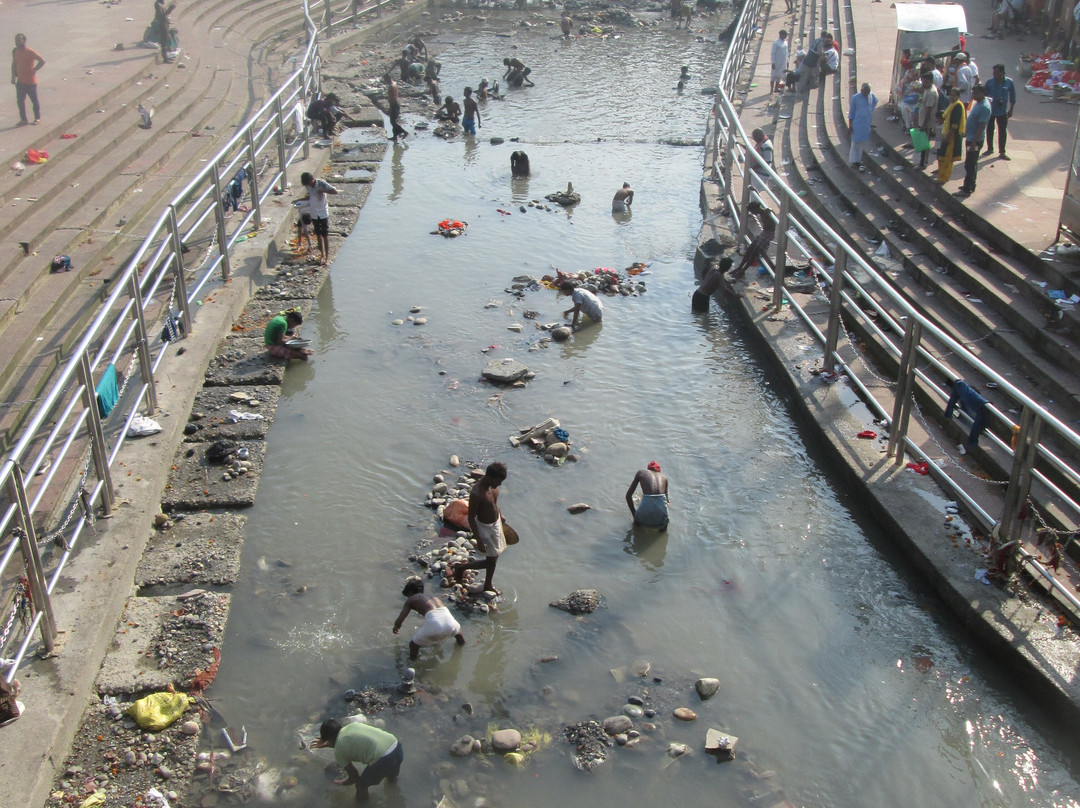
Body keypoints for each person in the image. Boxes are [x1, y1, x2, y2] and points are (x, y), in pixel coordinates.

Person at [452, 462, 509, 595]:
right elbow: (471, 517)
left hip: (496, 523)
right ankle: (463, 569)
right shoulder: (477, 493)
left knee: (494, 558)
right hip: (485, 528)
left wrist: (500, 516)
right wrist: (478, 539)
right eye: (498, 481)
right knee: (492, 560)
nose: (500, 484)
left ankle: (483, 581)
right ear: (489, 477)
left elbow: (495, 504)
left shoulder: (493, 488)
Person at [313, 719, 402, 802]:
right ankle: (394, 794)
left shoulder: (339, 751)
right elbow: (347, 742)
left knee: (361, 786)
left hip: (382, 759)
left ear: (329, 739)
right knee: (391, 775)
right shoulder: (352, 726)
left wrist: (339, 783)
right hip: (396, 746)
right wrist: (329, 744)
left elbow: (354, 777)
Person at [393, 576, 465, 659]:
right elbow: (441, 616)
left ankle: (412, 662)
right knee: (457, 631)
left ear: (410, 592)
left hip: (436, 626)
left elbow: (401, 618)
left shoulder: (411, 599)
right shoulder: (435, 598)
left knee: (413, 645)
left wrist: (396, 627)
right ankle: (462, 645)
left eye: (408, 596)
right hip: (452, 624)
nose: (408, 598)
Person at [727, 200, 776, 282]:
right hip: (764, 232)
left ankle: (743, 271)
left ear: (756, 209)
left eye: (752, 211)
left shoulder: (765, 212)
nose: (753, 213)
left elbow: (771, 213)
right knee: (750, 248)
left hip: (769, 234)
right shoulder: (761, 212)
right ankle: (740, 267)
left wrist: (770, 210)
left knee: (755, 252)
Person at [957, 85, 991, 197]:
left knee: (970, 164)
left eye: (975, 93)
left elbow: (982, 126)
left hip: (975, 141)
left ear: (982, 93)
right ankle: (970, 184)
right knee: (970, 163)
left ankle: (968, 188)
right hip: (971, 138)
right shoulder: (979, 103)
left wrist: (974, 142)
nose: (973, 95)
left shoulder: (984, 107)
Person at [297, 171, 338, 265]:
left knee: (325, 235)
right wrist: (299, 200)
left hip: (323, 213)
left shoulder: (321, 184)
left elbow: (335, 191)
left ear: (312, 179)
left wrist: (323, 191)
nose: (309, 185)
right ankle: (322, 255)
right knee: (318, 234)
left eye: (309, 183)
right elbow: (310, 197)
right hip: (314, 213)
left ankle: (327, 257)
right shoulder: (308, 186)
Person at [983, 63, 1015, 160]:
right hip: (991, 111)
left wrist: (1011, 109)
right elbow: (984, 95)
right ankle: (990, 148)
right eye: (994, 73)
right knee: (989, 129)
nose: (994, 75)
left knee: (1002, 131)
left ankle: (1002, 151)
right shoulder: (989, 83)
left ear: (1002, 72)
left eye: (997, 73)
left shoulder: (1009, 82)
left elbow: (1013, 97)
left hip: (1002, 111)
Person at [945, 378, 989, 449]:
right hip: (978, 411)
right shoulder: (966, 388)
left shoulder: (959, 389)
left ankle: (971, 442)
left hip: (976, 413)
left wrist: (948, 414)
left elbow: (951, 403)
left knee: (972, 421)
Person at [11, 34, 44, 126]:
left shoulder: (30, 52)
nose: (18, 42)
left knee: (34, 100)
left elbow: (42, 61)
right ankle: (23, 119)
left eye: (20, 40)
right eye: (16, 40)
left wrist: (34, 70)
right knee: (20, 101)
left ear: (24, 41)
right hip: (20, 81)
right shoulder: (15, 51)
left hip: (30, 82)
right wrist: (13, 76)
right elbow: (14, 64)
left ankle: (37, 118)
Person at [626, 461, 670, 530]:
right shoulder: (664, 478)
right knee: (664, 524)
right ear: (659, 471)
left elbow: (628, 496)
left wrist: (635, 515)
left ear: (648, 469)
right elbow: (666, 501)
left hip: (643, 512)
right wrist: (667, 501)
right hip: (661, 513)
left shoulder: (641, 473)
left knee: (637, 529)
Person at [936, 87, 965, 183]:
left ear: (958, 96)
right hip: (947, 133)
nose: (951, 97)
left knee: (948, 157)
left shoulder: (957, 106)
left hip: (952, 136)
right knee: (942, 155)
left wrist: (948, 135)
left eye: (954, 95)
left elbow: (955, 124)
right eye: (951, 95)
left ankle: (944, 177)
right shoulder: (951, 105)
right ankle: (941, 174)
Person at [848, 82, 877, 169]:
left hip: (865, 123)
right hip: (857, 123)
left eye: (868, 92)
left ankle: (858, 160)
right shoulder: (855, 98)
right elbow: (851, 112)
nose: (866, 94)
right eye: (865, 92)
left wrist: (870, 109)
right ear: (861, 90)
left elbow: (875, 101)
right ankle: (853, 160)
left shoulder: (871, 95)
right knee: (855, 142)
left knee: (861, 143)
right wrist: (850, 124)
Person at [916, 71, 939, 170]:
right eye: (923, 82)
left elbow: (929, 111)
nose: (923, 84)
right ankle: (921, 162)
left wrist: (924, 124)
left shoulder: (931, 92)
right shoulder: (927, 89)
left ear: (931, 81)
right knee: (922, 142)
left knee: (925, 144)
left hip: (927, 122)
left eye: (925, 82)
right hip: (922, 120)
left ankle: (923, 164)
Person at [382, 73, 408, 141]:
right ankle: (395, 137)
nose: (384, 81)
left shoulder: (391, 86)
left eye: (384, 79)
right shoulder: (395, 83)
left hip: (393, 104)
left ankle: (404, 132)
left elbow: (392, 99)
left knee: (392, 122)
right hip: (396, 103)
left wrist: (390, 108)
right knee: (393, 120)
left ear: (387, 79)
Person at [770, 30, 788, 94]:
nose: (785, 36)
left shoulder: (785, 42)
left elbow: (786, 53)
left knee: (779, 75)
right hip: (776, 61)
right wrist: (773, 62)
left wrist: (787, 61)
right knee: (773, 75)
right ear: (781, 35)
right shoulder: (776, 43)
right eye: (784, 35)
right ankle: (772, 89)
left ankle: (776, 88)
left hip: (782, 62)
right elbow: (773, 53)